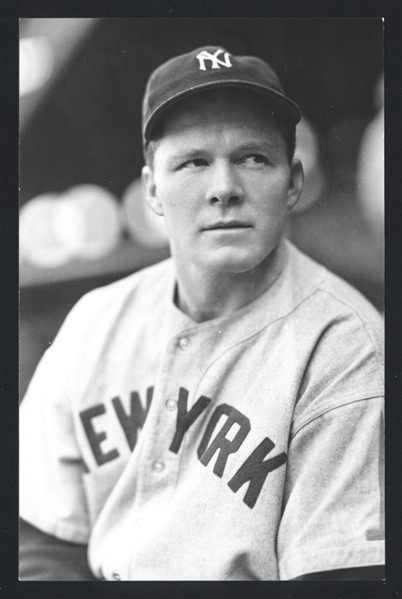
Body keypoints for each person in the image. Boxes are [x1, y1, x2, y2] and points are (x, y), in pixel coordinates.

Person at [19, 46, 384, 581]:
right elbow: (38, 546)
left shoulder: (346, 350)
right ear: (151, 191)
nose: (224, 190)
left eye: (253, 158)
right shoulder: (94, 323)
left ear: (293, 183)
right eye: (193, 162)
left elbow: (338, 579)